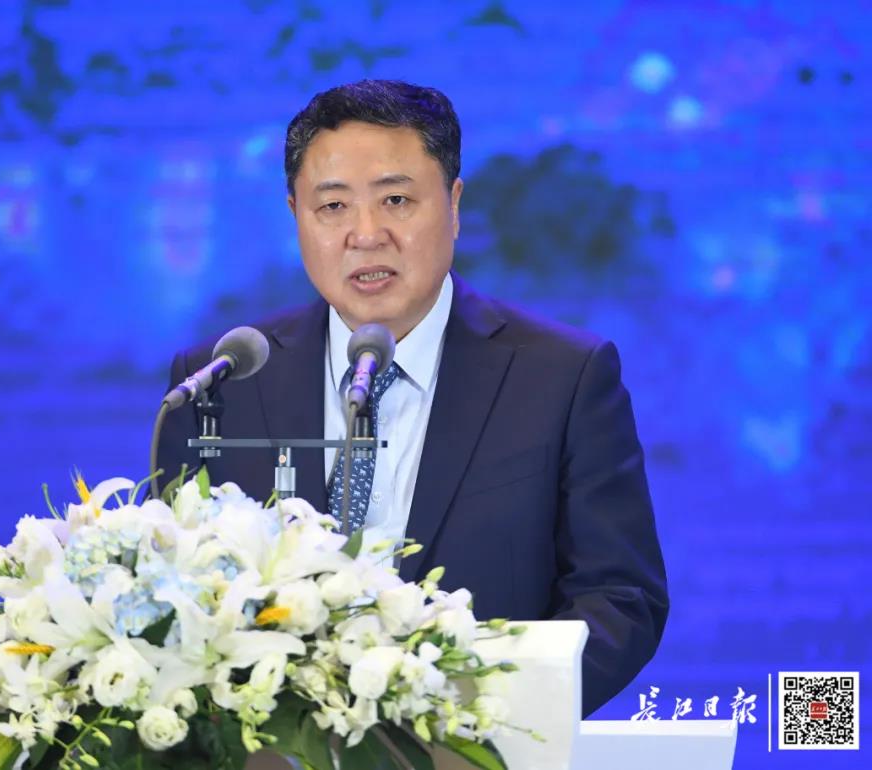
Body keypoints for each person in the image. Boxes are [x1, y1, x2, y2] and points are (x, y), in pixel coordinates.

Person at [156, 79, 668, 717]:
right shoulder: (222, 377)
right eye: (333, 206)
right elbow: (173, 594)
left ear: (453, 205)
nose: (366, 234)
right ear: (295, 216)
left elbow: (618, 599)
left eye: (396, 200)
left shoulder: (563, 376)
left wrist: (476, 715)